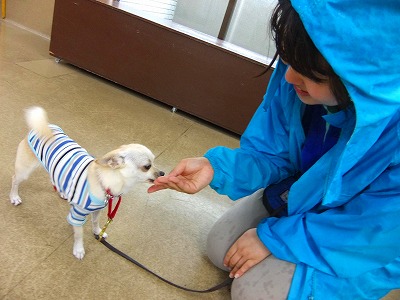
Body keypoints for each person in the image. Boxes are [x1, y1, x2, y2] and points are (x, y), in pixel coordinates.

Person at [148, 0, 400, 298]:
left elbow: (376, 229)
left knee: (252, 291)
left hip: (365, 239)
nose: (290, 76)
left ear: (365, 78)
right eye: (289, 59)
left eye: (311, 73)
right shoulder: (294, 80)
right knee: (219, 248)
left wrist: (276, 240)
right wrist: (218, 168)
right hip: (304, 196)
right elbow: (270, 151)